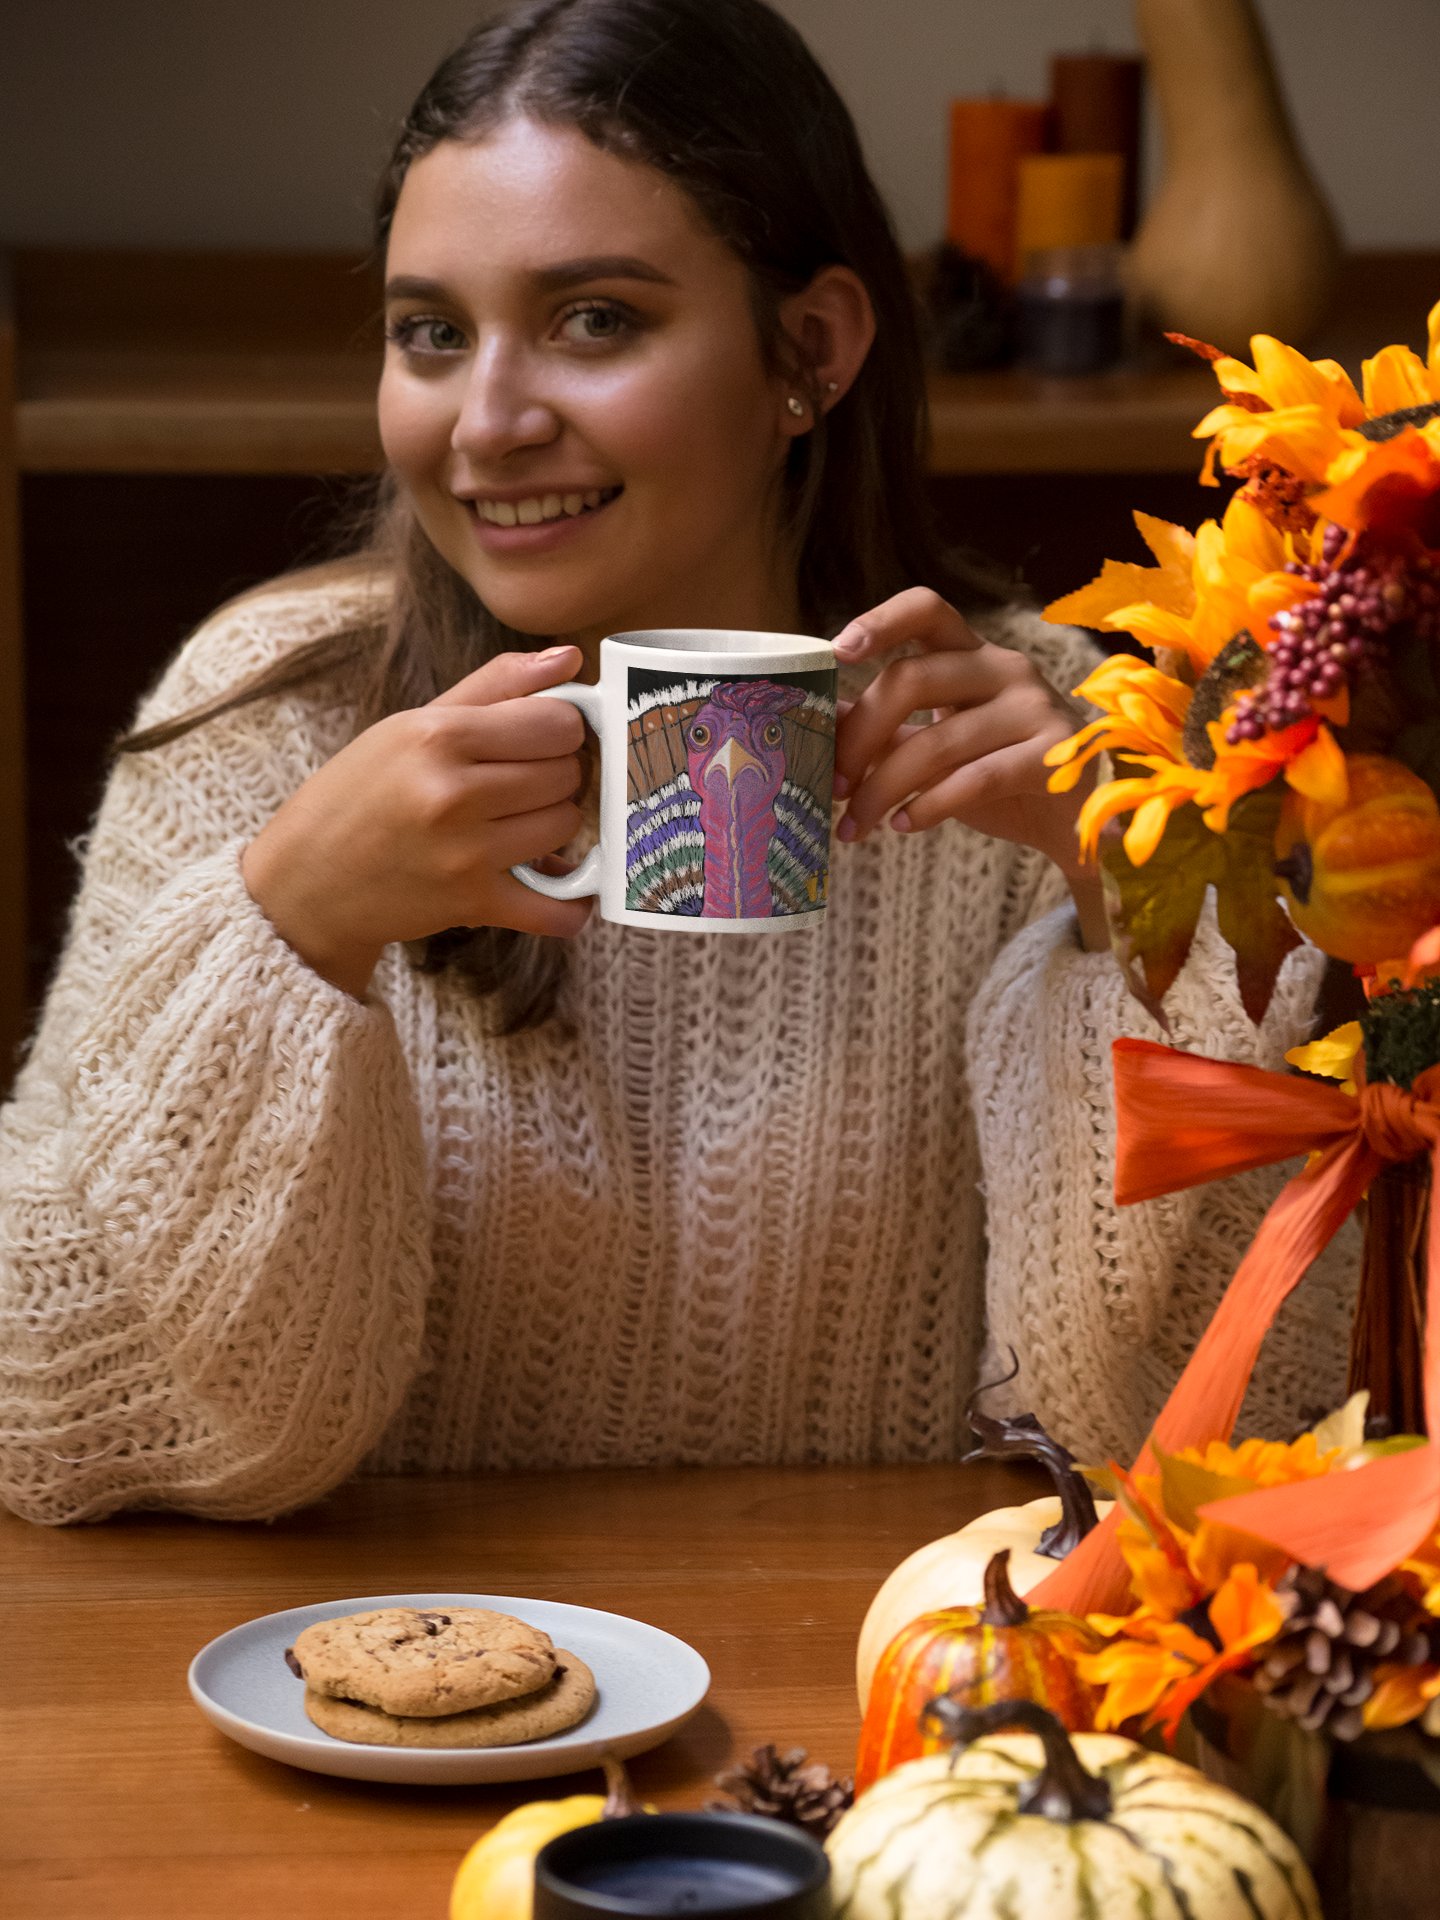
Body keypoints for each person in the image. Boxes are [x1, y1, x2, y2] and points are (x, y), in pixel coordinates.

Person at [0, 0, 1355, 1526]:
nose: (489, 423)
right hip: (364, 1705)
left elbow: (1204, 1447)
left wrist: (1138, 908)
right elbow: (58, 1417)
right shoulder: (264, 726)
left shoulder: (1064, 745)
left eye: (595, 320)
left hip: (866, 1708)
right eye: (432, 332)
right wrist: (291, 926)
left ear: (812, 349)